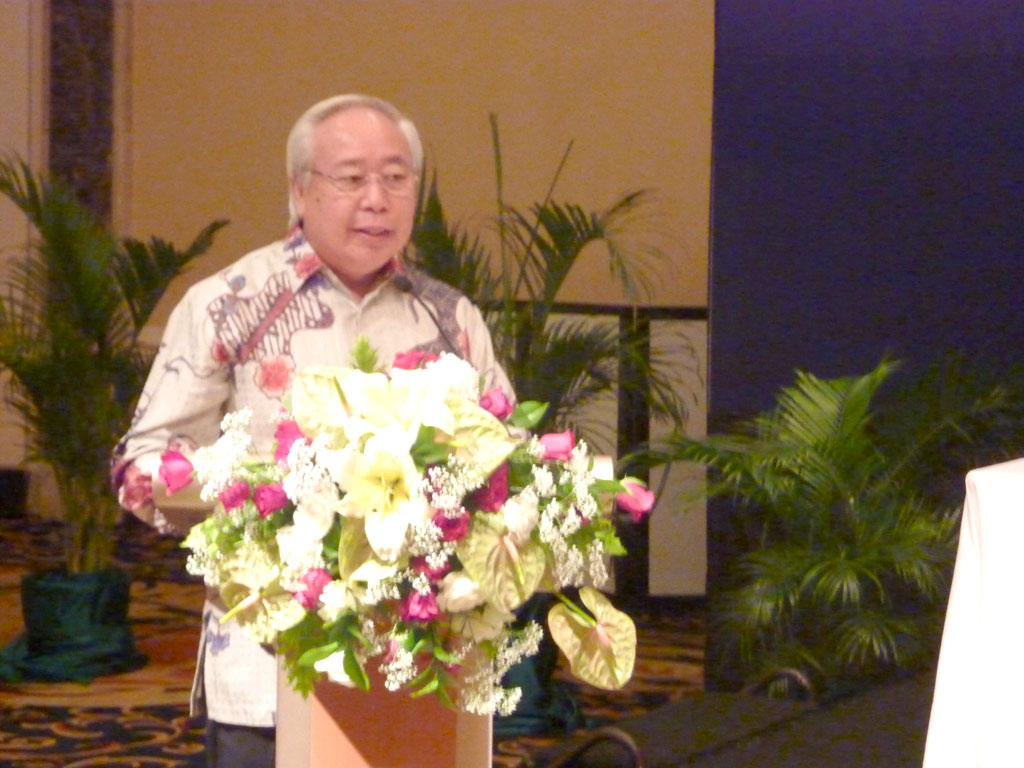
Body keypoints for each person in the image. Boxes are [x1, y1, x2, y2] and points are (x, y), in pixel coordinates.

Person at [112, 94, 513, 768]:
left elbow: (506, 463)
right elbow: (142, 465)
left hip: (420, 668)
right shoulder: (228, 307)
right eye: (351, 178)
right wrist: (266, 497)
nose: (377, 199)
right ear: (300, 190)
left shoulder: (450, 319)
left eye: (396, 178)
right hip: (268, 670)